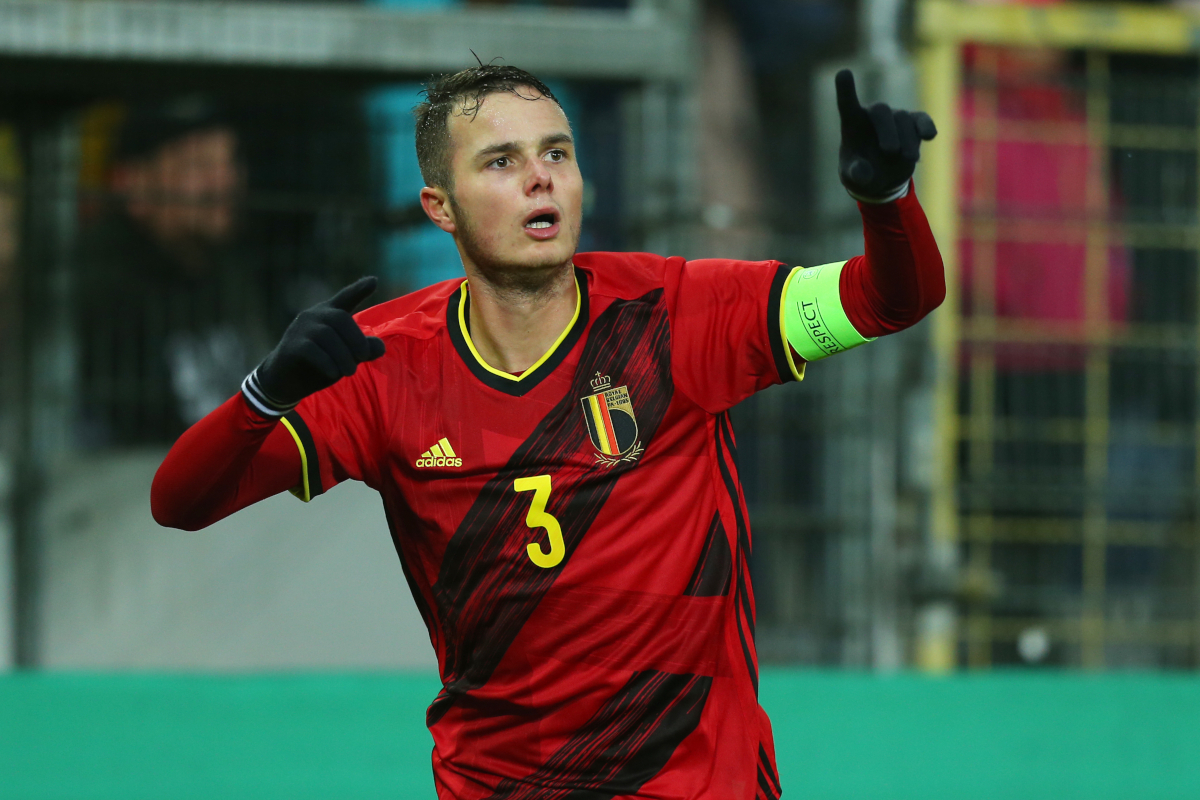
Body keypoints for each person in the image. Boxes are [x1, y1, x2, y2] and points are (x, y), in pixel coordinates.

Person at [152, 66, 943, 799]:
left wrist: (887, 199)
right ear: (440, 207)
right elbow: (180, 503)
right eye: (502, 161)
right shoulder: (383, 364)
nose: (541, 178)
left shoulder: (678, 314)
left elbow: (889, 299)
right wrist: (265, 392)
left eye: (556, 153)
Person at [76, 97, 267, 445]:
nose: (224, 181)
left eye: (230, 160)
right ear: (132, 184)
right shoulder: (101, 290)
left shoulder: (230, 269)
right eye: (198, 164)